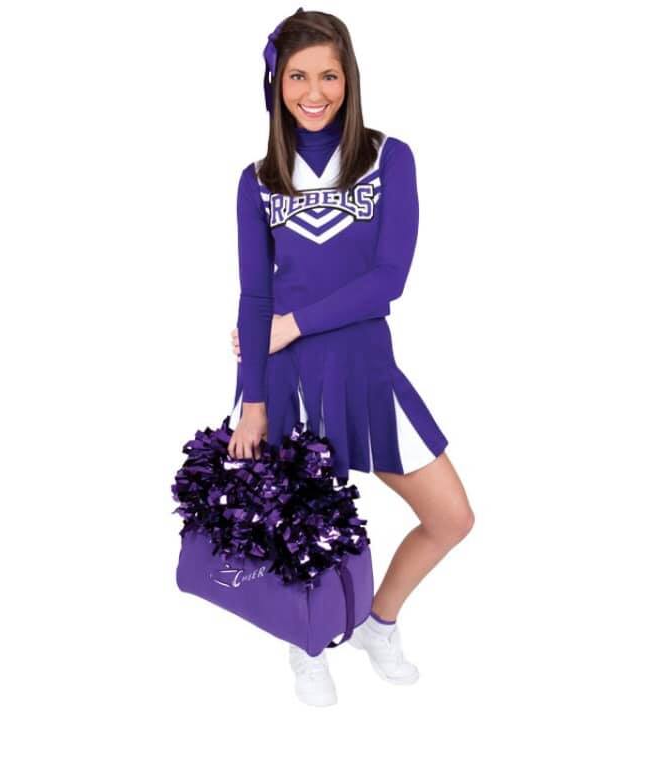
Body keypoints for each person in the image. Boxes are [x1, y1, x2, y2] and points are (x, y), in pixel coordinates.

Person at [227, 8, 475, 707]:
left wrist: (292, 323)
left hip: (365, 367)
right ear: (276, 84)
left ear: (349, 78)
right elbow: (254, 295)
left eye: (329, 76)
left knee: (451, 517)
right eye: (297, 76)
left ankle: (377, 623)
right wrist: (253, 400)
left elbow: (388, 278)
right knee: (301, 530)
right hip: (287, 378)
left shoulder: (388, 158)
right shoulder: (257, 180)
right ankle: (305, 646)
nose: (314, 92)